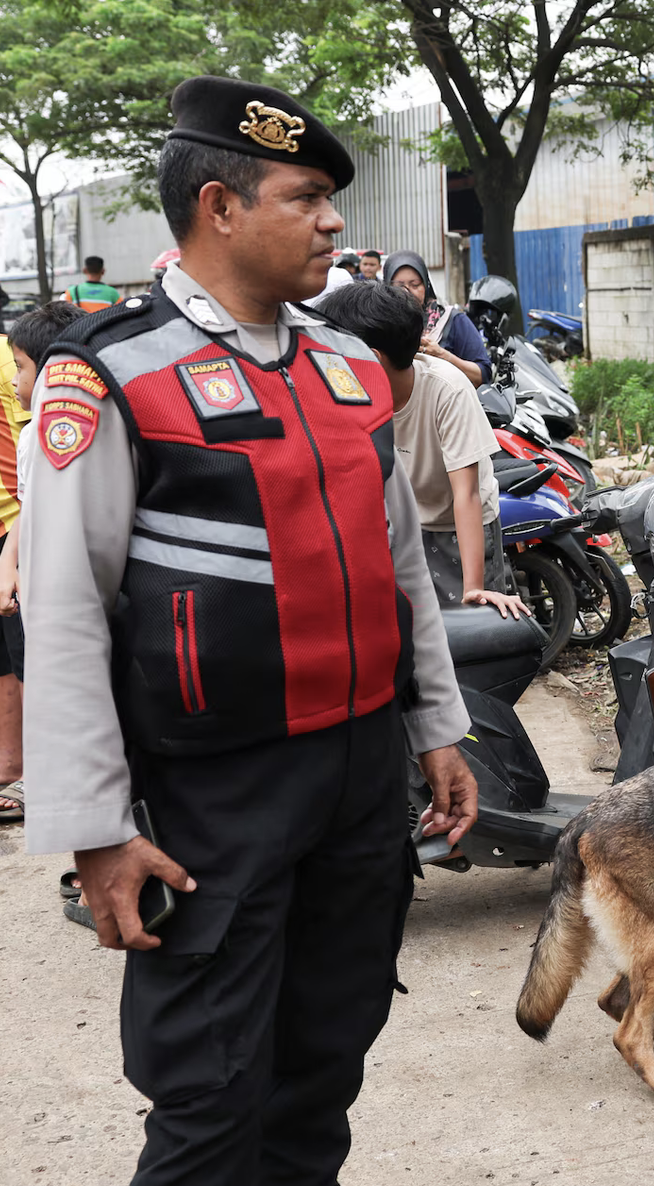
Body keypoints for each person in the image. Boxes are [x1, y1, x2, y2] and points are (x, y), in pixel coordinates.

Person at [20, 76, 479, 1184]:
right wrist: (92, 829)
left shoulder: (344, 364)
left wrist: (435, 724)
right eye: (306, 196)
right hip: (213, 794)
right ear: (220, 208)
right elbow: (66, 608)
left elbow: (397, 565)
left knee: (324, 1068)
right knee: (210, 1091)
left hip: (358, 772)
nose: (333, 222)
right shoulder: (110, 374)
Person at [315, 281, 527, 616]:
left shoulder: (447, 389)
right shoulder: (351, 395)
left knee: (473, 624)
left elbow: (467, 495)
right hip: (407, 525)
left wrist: (474, 587)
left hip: (461, 526)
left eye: (334, 353)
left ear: (370, 358)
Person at [0, 301, 84, 831]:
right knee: (28, 666)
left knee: (60, 688)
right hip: (30, 571)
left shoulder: (65, 431)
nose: (14, 382)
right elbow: (29, 512)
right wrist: (10, 563)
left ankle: (61, 787)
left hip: (70, 591)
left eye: (21, 370)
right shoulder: (35, 435)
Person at [382, 251, 491, 387]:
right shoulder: (377, 324)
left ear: (426, 286)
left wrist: (443, 356)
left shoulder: (451, 320)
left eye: (415, 285)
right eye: (398, 286)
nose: (407, 292)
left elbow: (483, 374)